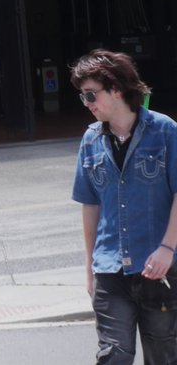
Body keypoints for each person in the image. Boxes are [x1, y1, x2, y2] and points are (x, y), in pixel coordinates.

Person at [71, 49, 177, 364]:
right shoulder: (90, 140)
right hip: (109, 269)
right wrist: (90, 267)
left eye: (91, 95)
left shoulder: (165, 131)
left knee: (163, 357)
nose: (87, 103)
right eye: (83, 97)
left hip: (158, 269)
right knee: (112, 356)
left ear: (116, 89)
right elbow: (90, 206)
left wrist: (168, 248)